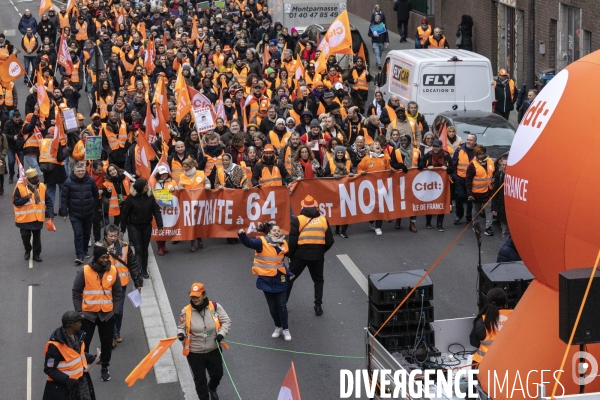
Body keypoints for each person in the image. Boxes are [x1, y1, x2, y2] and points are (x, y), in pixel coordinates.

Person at [72, 246, 123, 382]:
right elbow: (76, 291)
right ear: (96, 258)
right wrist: (79, 312)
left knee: (106, 344)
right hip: (88, 315)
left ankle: (104, 367)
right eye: (103, 258)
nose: (106, 260)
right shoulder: (84, 271)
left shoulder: (113, 270)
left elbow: (118, 292)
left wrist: (115, 311)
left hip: (107, 315)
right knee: (84, 343)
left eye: (107, 257)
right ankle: (84, 367)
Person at [238, 223, 294, 339]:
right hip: (266, 281)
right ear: (269, 232)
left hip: (280, 280)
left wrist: (289, 273)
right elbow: (249, 242)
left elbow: (280, 263)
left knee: (282, 306)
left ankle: (285, 329)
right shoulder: (261, 242)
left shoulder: (283, 244)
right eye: (274, 230)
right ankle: (277, 327)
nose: (277, 232)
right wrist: (242, 235)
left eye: (279, 230)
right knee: (273, 307)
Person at [177, 282, 232, 400]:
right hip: (195, 352)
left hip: (213, 349)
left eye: (197, 296)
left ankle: (212, 387)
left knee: (218, 374)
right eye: (193, 296)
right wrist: (180, 334)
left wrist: (221, 334)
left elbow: (226, 321)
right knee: (200, 380)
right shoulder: (186, 311)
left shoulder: (215, 307)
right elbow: (181, 326)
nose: (195, 299)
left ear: (204, 295)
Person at [286, 196, 334, 315]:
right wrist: (320, 251)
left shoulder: (298, 220)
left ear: (302, 207)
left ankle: (283, 304)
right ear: (316, 206)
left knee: (289, 278)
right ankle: (318, 307)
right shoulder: (323, 220)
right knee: (318, 280)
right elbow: (330, 241)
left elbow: (292, 242)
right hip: (317, 256)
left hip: (300, 255)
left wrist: (290, 256)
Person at [101, 224, 143, 348]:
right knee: (109, 310)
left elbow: (133, 265)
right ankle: (112, 336)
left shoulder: (125, 247)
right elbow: (94, 264)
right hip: (106, 285)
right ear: (105, 236)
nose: (113, 238)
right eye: (110, 236)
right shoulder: (100, 248)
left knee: (118, 310)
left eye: (115, 235)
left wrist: (138, 282)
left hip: (121, 284)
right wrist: (105, 254)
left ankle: (116, 331)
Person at [42, 311, 99, 400]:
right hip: (64, 388)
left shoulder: (78, 336)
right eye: (79, 322)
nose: (81, 324)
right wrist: (67, 380)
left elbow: (78, 354)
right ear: (72, 325)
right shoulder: (54, 347)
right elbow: (49, 369)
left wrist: (93, 359)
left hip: (81, 383)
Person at [120, 178, 164, 279]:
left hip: (146, 226)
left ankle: (144, 269)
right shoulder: (131, 198)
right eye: (145, 186)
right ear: (140, 188)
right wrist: (122, 229)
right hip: (134, 226)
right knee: (138, 249)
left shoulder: (150, 197)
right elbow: (124, 214)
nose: (147, 187)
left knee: (145, 249)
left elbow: (156, 211)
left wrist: (160, 225)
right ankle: (138, 271)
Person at [61, 162, 98, 265]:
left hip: (88, 213)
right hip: (75, 214)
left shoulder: (90, 180)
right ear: (74, 171)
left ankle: (85, 250)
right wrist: (64, 212)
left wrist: (93, 206)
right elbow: (64, 198)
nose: (81, 173)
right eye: (79, 171)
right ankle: (79, 256)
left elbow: (95, 194)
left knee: (86, 233)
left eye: (82, 171)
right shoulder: (68, 182)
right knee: (78, 234)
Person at [13, 168, 53, 262]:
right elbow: (16, 202)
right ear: (29, 179)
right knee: (25, 236)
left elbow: (48, 200)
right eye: (34, 178)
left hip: (37, 218)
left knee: (37, 237)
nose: (37, 179)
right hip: (24, 219)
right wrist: (25, 199)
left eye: (37, 177)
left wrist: (50, 213)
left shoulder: (42, 186)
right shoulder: (19, 187)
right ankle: (27, 250)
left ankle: (36, 254)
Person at [358, 142, 395, 235]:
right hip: (369, 187)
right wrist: (361, 172)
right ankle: (371, 221)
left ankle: (378, 227)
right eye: (375, 144)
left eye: (379, 144)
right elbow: (359, 168)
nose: (377, 145)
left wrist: (391, 170)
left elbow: (389, 169)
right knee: (371, 206)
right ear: (371, 147)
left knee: (380, 206)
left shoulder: (385, 158)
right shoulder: (366, 159)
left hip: (381, 187)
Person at [470, 287, 512, 365]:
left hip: (485, 365)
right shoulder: (517, 315)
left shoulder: (482, 320)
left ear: (488, 302)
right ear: (505, 302)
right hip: (511, 362)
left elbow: (473, 341)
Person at [419, 139, 454, 231]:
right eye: (434, 146)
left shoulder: (447, 156)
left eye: (437, 146)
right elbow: (420, 165)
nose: (435, 148)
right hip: (430, 184)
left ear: (441, 147)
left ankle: (439, 224)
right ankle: (428, 222)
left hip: (442, 184)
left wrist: (446, 168)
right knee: (429, 202)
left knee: (441, 203)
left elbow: (452, 169)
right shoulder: (428, 155)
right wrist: (426, 167)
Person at [178, 158, 211, 251]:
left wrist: (207, 186)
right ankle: (193, 243)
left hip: (200, 203)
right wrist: (180, 188)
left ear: (191, 166)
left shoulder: (200, 173)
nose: (184, 168)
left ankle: (199, 237)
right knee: (191, 223)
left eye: (186, 167)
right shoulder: (182, 176)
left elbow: (207, 182)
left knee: (198, 222)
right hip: (188, 204)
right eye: (183, 167)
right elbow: (179, 186)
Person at [466, 144, 495, 236]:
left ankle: (488, 227)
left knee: (489, 210)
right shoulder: (472, 165)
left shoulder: (490, 161)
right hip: (476, 193)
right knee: (476, 210)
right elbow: (468, 180)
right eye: (479, 154)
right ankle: (475, 225)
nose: (481, 156)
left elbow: (494, 173)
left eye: (482, 154)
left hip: (488, 191)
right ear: (476, 155)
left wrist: (493, 179)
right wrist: (469, 194)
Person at [390, 134, 416, 231]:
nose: (403, 142)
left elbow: (421, 162)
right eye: (402, 141)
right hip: (400, 180)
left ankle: (412, 223)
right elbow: (392, 163)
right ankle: (398, 220)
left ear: (410, 141)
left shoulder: (416, 151)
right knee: (400, 201)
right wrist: (400, 165)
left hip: (413, 180)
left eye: (405, 140)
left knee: (412, 202)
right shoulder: (396, 151)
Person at [452, 133, 477, 225]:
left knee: (470, 199)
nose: (468, 141)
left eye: (470, 140)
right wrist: (455, 177)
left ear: (475, 142)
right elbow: (453, 164)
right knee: (459, 197)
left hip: (472, 180)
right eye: (467, 139)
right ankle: (459, 215)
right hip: (460, 178)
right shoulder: (459, 150)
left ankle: (469, 217)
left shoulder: (478, 151)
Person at [492, 153, 510, 240]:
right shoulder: (498, 175)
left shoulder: (514, 176)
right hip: (502, 208)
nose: (504, 167)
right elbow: (494, 192)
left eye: (506, 165)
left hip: (512, 208)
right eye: (503, 165)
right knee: (505, 230)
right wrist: (494, 208)